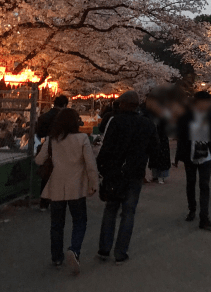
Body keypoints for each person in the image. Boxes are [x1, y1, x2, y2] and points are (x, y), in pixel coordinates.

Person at [96, 91, 158, 264]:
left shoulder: (116, 122)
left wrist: (101, 167)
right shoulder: (147, 123)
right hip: (135, 172)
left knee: (111, 209)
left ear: (122, 104)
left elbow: (106, 147)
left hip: (115, 172)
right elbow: (155, 148)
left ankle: (104, 249)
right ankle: (120, 252)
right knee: (128, 212)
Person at [34, 108, 98, 274]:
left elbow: (39, 160)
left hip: (56, 185)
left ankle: (56, 257)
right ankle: (74, 249)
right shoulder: (82, 138)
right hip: (76, 186)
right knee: (79, 220)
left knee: (56, 224)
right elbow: (90, 164)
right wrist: (94, 183)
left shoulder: (52, 139)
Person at [176, 91, 211, 231]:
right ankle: (192, 209)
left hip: (206, 156)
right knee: (190, 184)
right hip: (190, 155)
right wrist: (179, 156)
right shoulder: (186, 116)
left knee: (204, 186)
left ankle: (204, 217)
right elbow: (181, 137)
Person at [36, 95, 69, 210]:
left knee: (47, 175)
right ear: (65, 105)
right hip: (63, 148)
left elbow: (39, 133)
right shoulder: (65, 118)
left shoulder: (44, 116)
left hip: (48, 146)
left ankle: (43, 203)